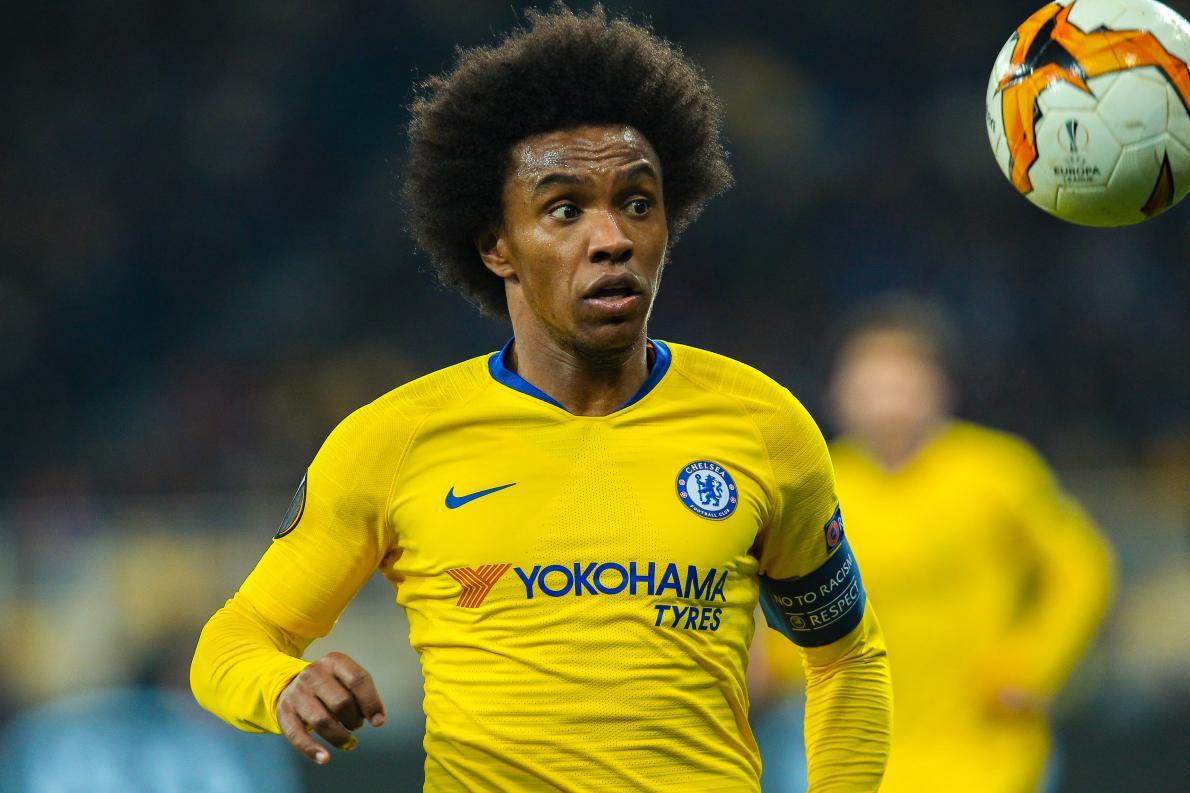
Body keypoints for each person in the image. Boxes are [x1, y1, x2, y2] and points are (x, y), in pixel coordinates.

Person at [190, 7, 891, 791]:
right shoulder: (394, 439)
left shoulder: (763, 423)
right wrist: (282, 684)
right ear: (497, 245)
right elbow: (233, 639)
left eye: (638, 202)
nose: (613, 238)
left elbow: (847, 657)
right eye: (565, 209)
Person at [753, 294, 1114, 793]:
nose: (889, 397)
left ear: (940, 387)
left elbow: (1083, 567)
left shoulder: (994, 472)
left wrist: (1035, 661)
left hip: (987, 758)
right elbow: (796, 608)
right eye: (872, 380)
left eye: (904, 379)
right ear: (839, 391)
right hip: (859, 760)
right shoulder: (815, 485)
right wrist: (768, 665)